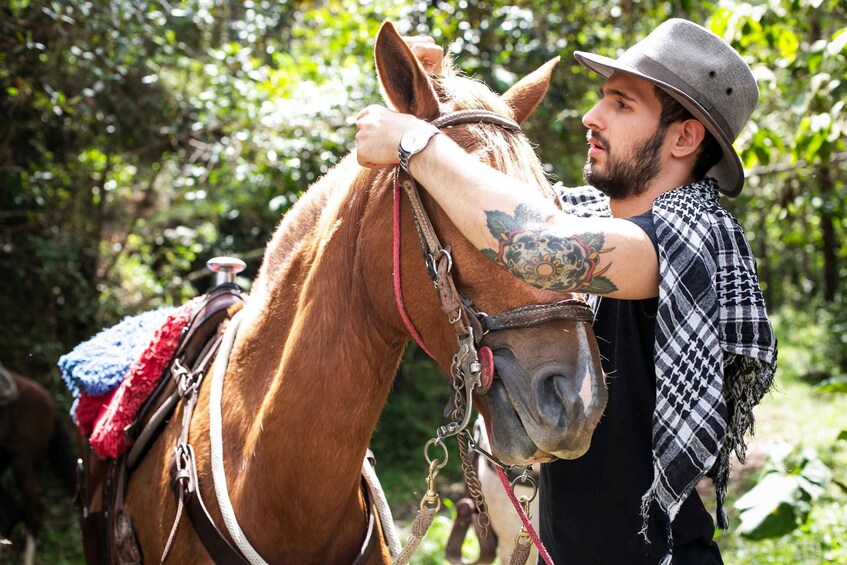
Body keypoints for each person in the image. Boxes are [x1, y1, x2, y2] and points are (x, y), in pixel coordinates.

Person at [355, 19, 777, 565]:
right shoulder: (597, 217)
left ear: (684, 137)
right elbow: (492, 199)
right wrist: (426, 91)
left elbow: (536, 246)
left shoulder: (688, 239)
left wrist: (415, 139)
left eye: (622, 105)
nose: (591, 117)